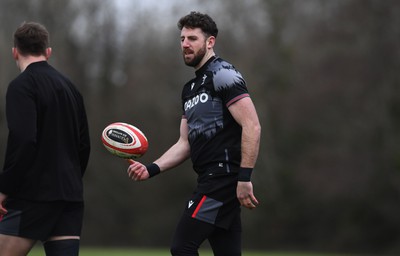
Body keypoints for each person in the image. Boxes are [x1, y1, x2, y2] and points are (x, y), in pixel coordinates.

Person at [127, 11, 261, 255]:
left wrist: (244, 178)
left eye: (192, 39)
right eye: (182, 39)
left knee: (182, 247)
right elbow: (184, 143)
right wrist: (151, 168)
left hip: (222, 179)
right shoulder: (189, 89)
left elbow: (252, 126)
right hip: (211, 178)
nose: (185, 45)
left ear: (210, 42)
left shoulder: (224, 74)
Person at [0, 22, 91, 256]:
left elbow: (23, 140)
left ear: (14, 52)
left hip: (31, 196)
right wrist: (68, 180)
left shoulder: (21, 86)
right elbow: (84, 146)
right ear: (47, 52)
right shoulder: (71, 88)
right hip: (69, 197)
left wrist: (4, 189)